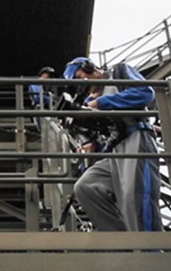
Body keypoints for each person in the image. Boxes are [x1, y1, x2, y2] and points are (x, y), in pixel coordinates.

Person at [63, 57, 161, 232]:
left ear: (89, 67)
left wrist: (100, 103)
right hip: (113, 150)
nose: (81, 85)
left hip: (135, 137)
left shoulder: (119, 72)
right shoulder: (88, 101)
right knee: (86, 187)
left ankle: (151, 249)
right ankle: (125, 243)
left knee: (134, 196)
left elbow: (145, 93)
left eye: (79, 77)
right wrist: (88, 142)